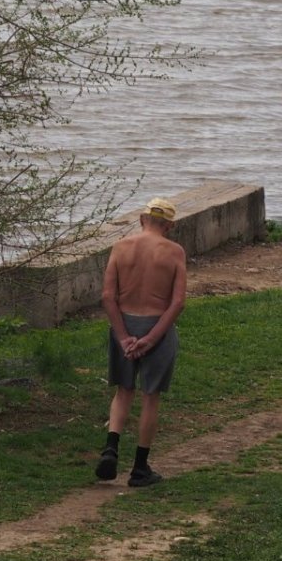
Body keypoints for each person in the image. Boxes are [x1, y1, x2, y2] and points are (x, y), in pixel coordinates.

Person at [95, 196, 187, 487]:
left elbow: (108, 297)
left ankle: (111, 448)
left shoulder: (121, 247)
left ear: (141, 220)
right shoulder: (174, 252)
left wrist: (123, 336)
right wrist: (151, 338)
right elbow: (177, 302)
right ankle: (139, 468)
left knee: (123, 391)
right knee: (151, 396)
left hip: (124, 323)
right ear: (169, 226)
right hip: (157, 326)